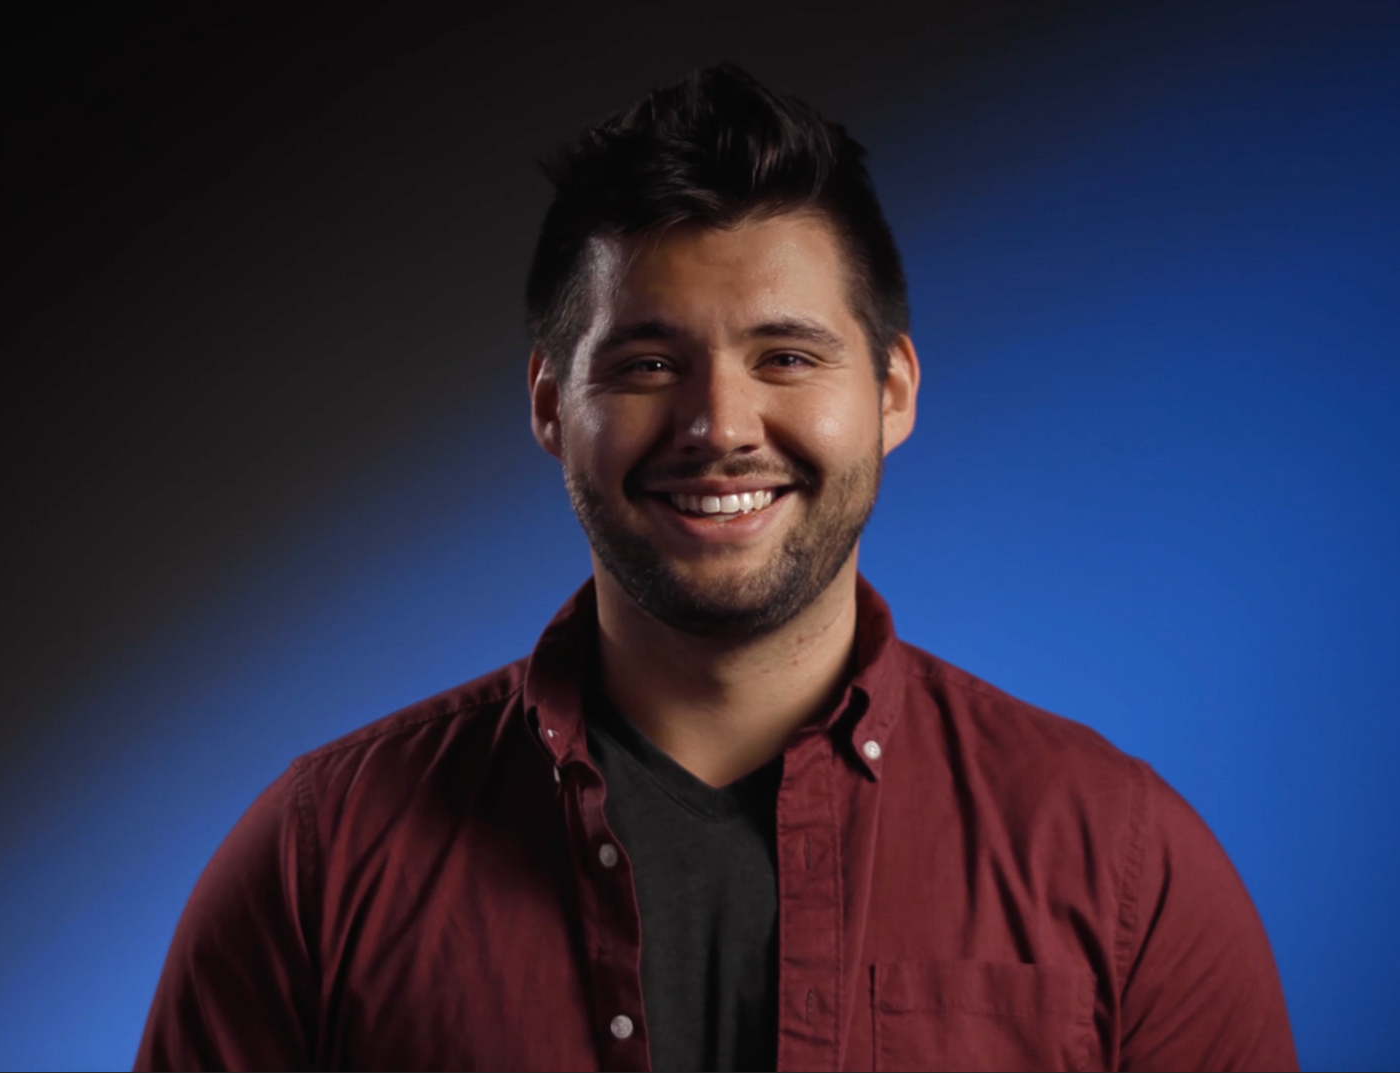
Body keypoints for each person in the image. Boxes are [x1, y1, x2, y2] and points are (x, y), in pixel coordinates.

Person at [135, 63, 1298, 1072]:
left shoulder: (1124, 865)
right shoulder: (320, 863)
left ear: (892, 392)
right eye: (648, 365)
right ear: (551, 403)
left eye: (786, 357)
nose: (721, 427)